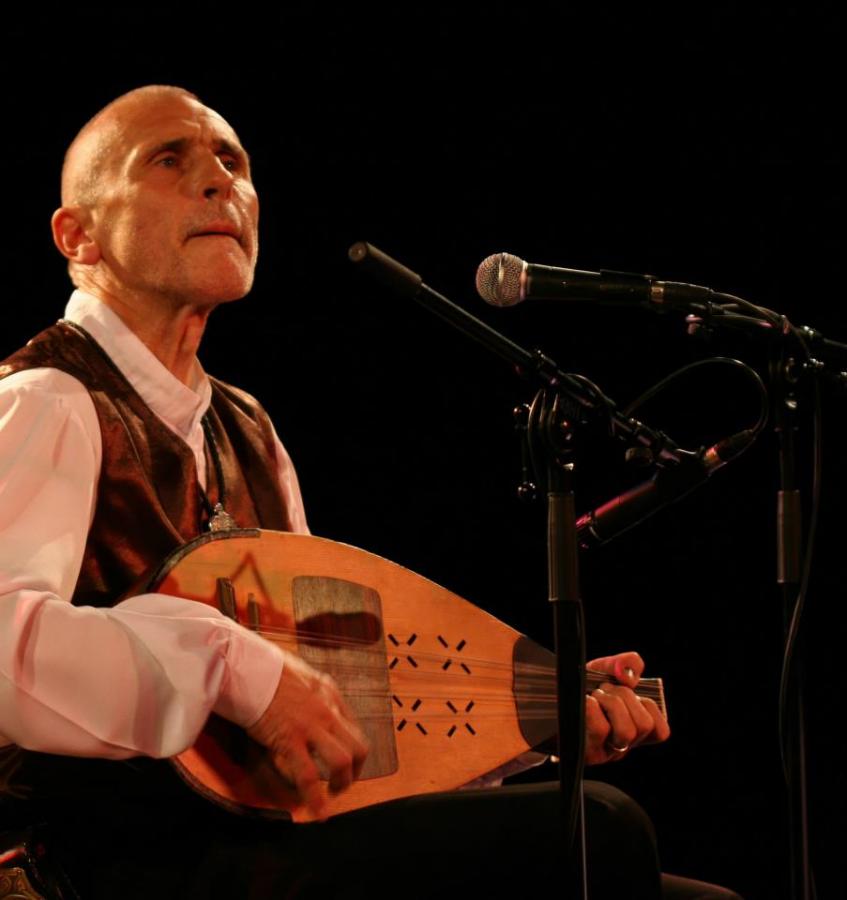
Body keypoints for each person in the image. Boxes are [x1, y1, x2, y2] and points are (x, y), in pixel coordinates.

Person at [0, 85, 739, 899]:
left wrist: (534, 721)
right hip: (102, 861)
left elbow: (327, 701)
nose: (218, 182)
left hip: (258, 840)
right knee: (602, 829)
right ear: (78, 235)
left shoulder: (249, 429)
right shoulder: (46, 398)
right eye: (167, 160)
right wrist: (230, 666)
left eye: (232, 162)